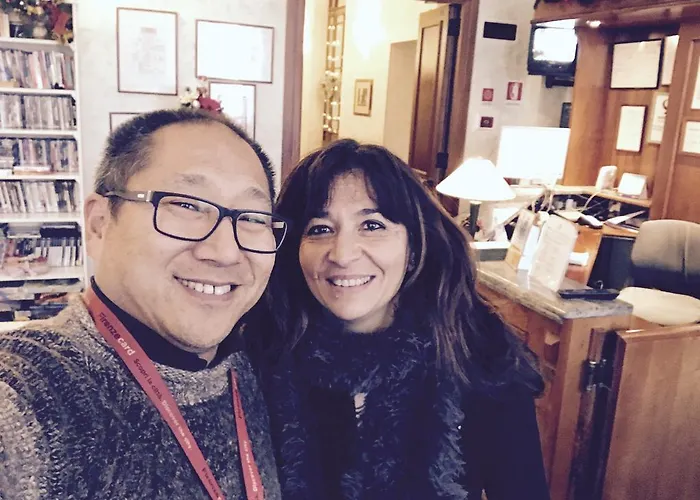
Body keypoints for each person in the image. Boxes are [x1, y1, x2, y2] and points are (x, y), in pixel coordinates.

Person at [0, 109, 285, 499]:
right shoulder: (33, 390)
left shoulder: (255, 367)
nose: (224, 251)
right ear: (100, 224)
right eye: (187, 205)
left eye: (253, 217)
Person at [255, 139, 550, 499]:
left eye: (372, 225)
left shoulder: (482, 357)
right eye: (320, 229)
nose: (342, 255)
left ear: (413, 246)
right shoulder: (263, 355)